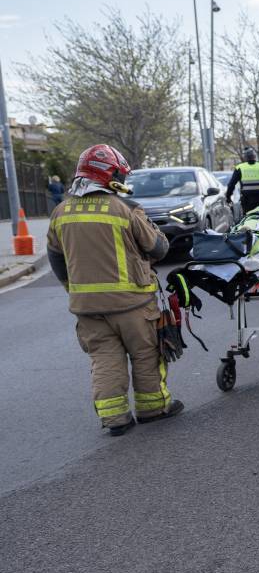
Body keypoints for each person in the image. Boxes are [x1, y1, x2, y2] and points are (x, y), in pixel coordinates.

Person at [46, 144, 184, 436]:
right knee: (146, 355)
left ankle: (115, 418)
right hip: (133, 303)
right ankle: (153, 408)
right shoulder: (126, 209)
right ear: (110, 175)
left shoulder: (61, 212)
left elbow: (56, 258)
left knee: (104, 358)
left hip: (88, 308)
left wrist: (73, 289)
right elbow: (158, 248)